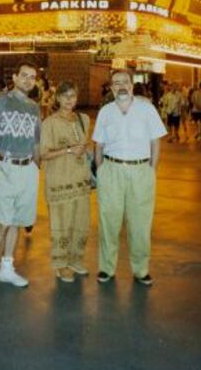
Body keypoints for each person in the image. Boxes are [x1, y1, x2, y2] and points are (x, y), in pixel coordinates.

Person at [93, 69, 166, 286]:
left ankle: (141, 270)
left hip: (141, 171)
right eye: (116, 83)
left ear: (132, 85)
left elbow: (156, 141)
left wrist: (151, 169)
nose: (121, 86)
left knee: (140, 222)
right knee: (109, 222)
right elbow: (98, 143)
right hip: (111, 170)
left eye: (125, 82)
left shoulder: (146, 109)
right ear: (111, 87)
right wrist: (101, 170)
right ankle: (106, 268)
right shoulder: (105, 112)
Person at [0, 61, 41, 296]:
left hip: (27, 168)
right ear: (15, 78)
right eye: (24, 75)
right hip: (5, 166)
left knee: (16, 221)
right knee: (1, 223)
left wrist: (36, 166)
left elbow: (36, 140)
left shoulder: (34, 107)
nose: (28, 80)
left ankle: (7, 268)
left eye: (32, 77)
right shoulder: (0, 101)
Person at [40, 81, 91, 283]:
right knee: (61, 223)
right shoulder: (49, 123)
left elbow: (85, 146)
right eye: (65, 96)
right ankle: (61, 265)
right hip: (60, 180)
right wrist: (69, 150)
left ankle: (75, 259)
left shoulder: (84, 119)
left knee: (80, 222)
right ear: (58, 98)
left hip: (80, 179)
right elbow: (43, 153)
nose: (70, 100)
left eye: (73, 96)